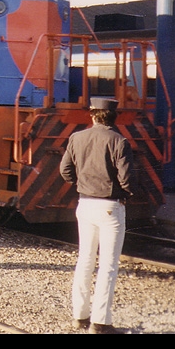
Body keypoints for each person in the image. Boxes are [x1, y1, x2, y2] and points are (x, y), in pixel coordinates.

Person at [59, 97, 134, 334]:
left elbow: (65, 170)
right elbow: (126, 179)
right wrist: (126, 193)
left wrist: (81, 184)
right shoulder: (119, 141)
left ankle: (79, 316)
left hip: (85, 204)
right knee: (108, 266)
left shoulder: (76, 137)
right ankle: (100, 322)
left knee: (85, 260)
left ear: (92, 114)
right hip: (110, 207)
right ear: (114, 116)